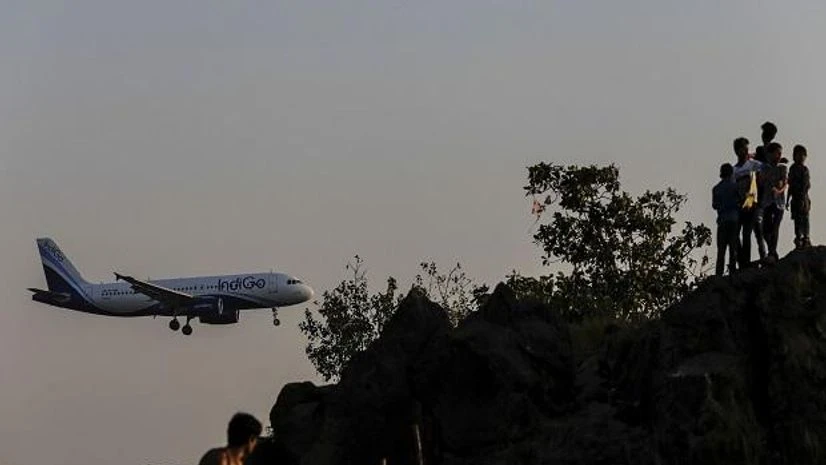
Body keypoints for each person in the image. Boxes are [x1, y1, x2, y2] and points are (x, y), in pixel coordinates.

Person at [732, 137, 765, 267]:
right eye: (742, 149)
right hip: (739, 206)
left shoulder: (754, 165)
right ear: (737, 151)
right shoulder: (734, 171)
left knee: (749, 233)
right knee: (736, 234)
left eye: (746, 148)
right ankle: (742, 261)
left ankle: (751, 260)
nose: (745, 151)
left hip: (753, 203)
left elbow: (759, 181)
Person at [760, 142, 788, 263]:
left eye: (780, 153)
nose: (779, 156)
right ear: (770, 154)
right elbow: (761, 182)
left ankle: (771, 253)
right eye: (777, 153)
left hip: (779, 202)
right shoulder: (764, 168)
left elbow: (784, 183)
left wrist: (778, 190)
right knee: (766, 229)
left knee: (775, 227)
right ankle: (773, 251)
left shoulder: (782, 168)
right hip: (767, 201)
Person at [713, 163, 740, 275]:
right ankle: (732, 271)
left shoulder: (716, 188)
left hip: (722, 220)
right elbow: (740, 200)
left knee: (721, 250)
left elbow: (714, 205)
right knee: (733, 248)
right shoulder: (735, 186)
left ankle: (718, 274)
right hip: (734, 219)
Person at [787, 144, 811, 249]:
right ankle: (798, 238)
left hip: (803, 198)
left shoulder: (805, 170)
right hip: (795, 198)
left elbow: (806, 185)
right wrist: (787, 199)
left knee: (805, 218)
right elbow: (790, 184)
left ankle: (806, 238)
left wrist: (802, 197)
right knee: (797, 219)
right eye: (798, 155)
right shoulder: (792, 169)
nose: (801, 157)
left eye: (803, 155)